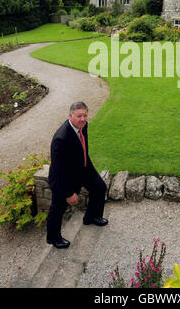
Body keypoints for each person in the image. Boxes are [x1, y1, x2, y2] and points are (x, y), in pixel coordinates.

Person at [46, 101, 108, 249]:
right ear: (70, 116)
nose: (83, 119)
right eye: (79, 116)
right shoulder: (60, 139)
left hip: (83, 168)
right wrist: (69, 193)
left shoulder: (83, 126)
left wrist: (89, 167)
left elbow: (83, 148)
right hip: (63, 178)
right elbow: (58, 170)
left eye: (85, 115)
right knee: (57, 208)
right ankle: (54, 238)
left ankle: (91, 217)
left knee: (99, 187)